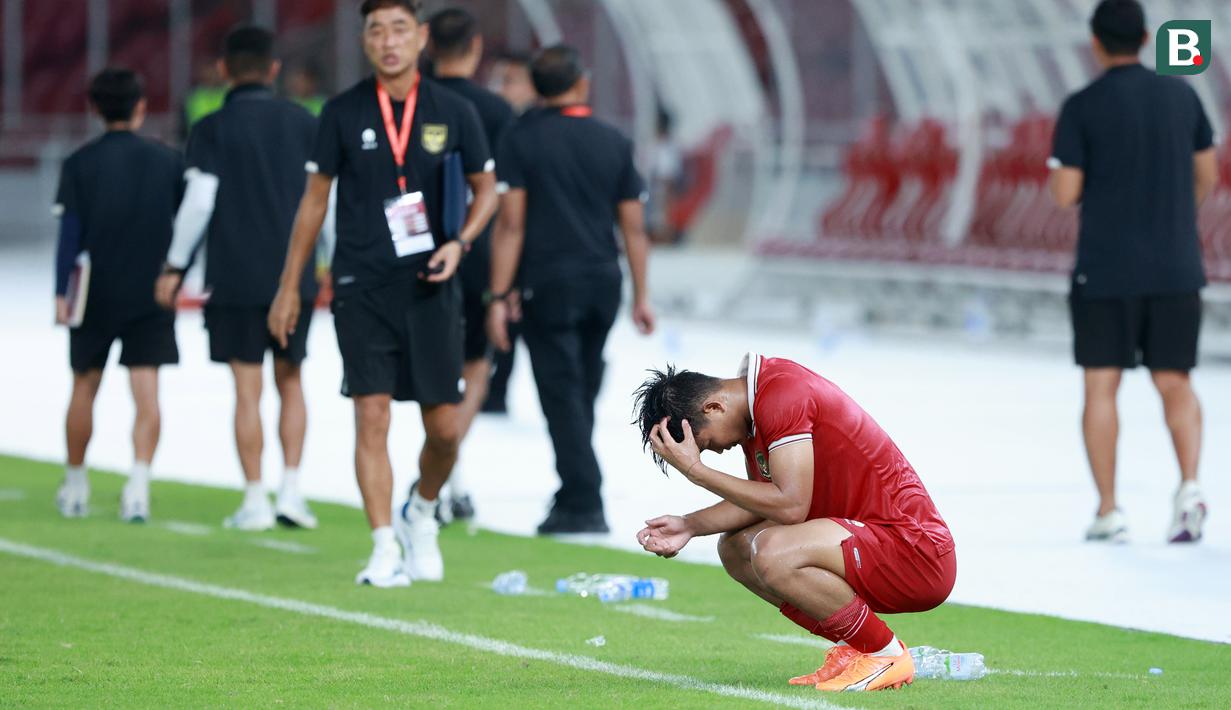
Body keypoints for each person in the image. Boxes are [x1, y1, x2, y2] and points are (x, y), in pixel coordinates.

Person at [268, 0, 497, 587]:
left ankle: (420, 509)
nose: (388, 40)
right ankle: (380, 546)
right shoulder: (342, 112)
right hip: (360, 285)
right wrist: (291, 285)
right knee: (370, 417)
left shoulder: (455, 109)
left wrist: (462, 243)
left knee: (444, 429)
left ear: (421, 36)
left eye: (399, 28)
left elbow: (487, 189)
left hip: (432, 286)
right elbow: (314, 201)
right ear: (365, 41)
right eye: (376, 30)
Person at [632, 354, 956, 692]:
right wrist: (689, 525)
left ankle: (883, 654)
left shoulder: (782, 394)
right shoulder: (755, 409)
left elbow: (790, 506)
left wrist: (697, 472)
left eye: (708, 444)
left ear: (714, 408)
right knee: (735, 548)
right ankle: (855, 647)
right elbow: (763, 500)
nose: (718, 452)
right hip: (869, 541)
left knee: (774, 550)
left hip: (916, 551)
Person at [1049, 0, 1216, 544]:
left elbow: (1066, 191)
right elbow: (1207, 174)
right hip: (1175, 265)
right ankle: (1189, 487)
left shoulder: (1082, 106)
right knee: (1176, 382)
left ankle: (1109, 510)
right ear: (1148, 38)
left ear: (1095, 43)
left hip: (1106, 268)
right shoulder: (1182, 94)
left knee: (1102, 385)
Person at [155, 26, 322, 532]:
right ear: (274, 69)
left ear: (225, 69)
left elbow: (199, 201)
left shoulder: (211, 127)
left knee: (246, 389)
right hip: (294, 276)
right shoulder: (304, 122)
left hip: (234, 276)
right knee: (291, 381)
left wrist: (174, 265)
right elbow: (324, 201)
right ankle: (292, 491)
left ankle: (254, 499)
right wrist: (329, 262)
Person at [487, 45, 655, 534]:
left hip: (548, 282)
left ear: (536, 87)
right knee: (576, 387)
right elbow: (634, 229)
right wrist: (642, 296)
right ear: (581, 82)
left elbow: (511, 226)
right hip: (604, 279)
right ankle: (573, 489)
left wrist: (498, 296)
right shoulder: (613, 140)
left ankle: (583, 500)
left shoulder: (520, 137)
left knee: (560, 393)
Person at [53, 69, 185, 522]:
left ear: (94, 108)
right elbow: (186, 224)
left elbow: (69, 236)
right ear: (141, 106)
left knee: (84, 387)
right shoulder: (169, 161)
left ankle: (75, 485)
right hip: (151, 290)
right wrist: (176, 272)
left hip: (93, 292)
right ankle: (139, 487)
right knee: (146, 393)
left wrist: (60, 293)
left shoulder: (79, 163)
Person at [423, 6, 516, 523]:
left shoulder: (414, 102)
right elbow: (506, 202)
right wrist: (508, 283)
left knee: (433, 369)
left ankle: (443, 475)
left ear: (427, 45)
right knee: (474, 366)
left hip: (416, 249)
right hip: (478, 252)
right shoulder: (498, 112)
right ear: (476, 47)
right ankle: (447, 475)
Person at [480, 50, 536, 415]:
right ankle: (496, 385)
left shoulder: (529, 132)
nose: (502, 89)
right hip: (506, 236)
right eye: (500, 80)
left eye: (511, 80)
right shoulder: (500, 124)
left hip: (532, 241)